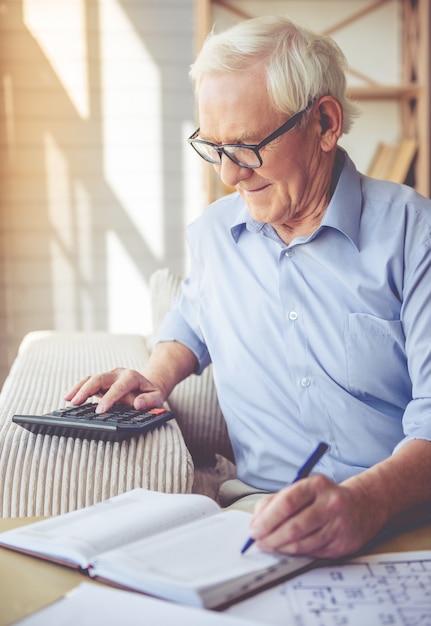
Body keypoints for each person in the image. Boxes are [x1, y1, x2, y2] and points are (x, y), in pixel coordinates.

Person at [65, 16, 431, 560]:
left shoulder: (412, 232)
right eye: (213, 148)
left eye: (245, 146)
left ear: (325, 124)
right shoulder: (216, 236)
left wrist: (367, 503)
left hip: (399, 521)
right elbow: (194, 316)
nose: (229, 176)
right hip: (255, 524)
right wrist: (154, 376)